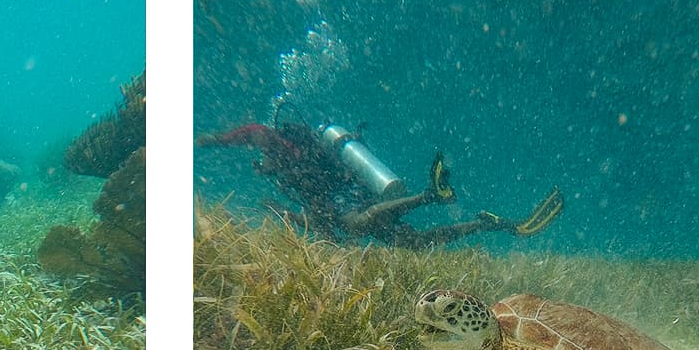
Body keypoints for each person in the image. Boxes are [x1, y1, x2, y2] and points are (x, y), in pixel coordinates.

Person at [196, 118, 563, 249]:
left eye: (265, 163)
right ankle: (489, 224)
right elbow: (318, 222)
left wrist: (213, 141)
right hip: (353, 198)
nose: (263, 167)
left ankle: (428, 196)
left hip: (350, 197)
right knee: (417, 243)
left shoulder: (284, 147)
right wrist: (284, 214)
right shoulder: (285, 174)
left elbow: (255, 132)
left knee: (358, 223)